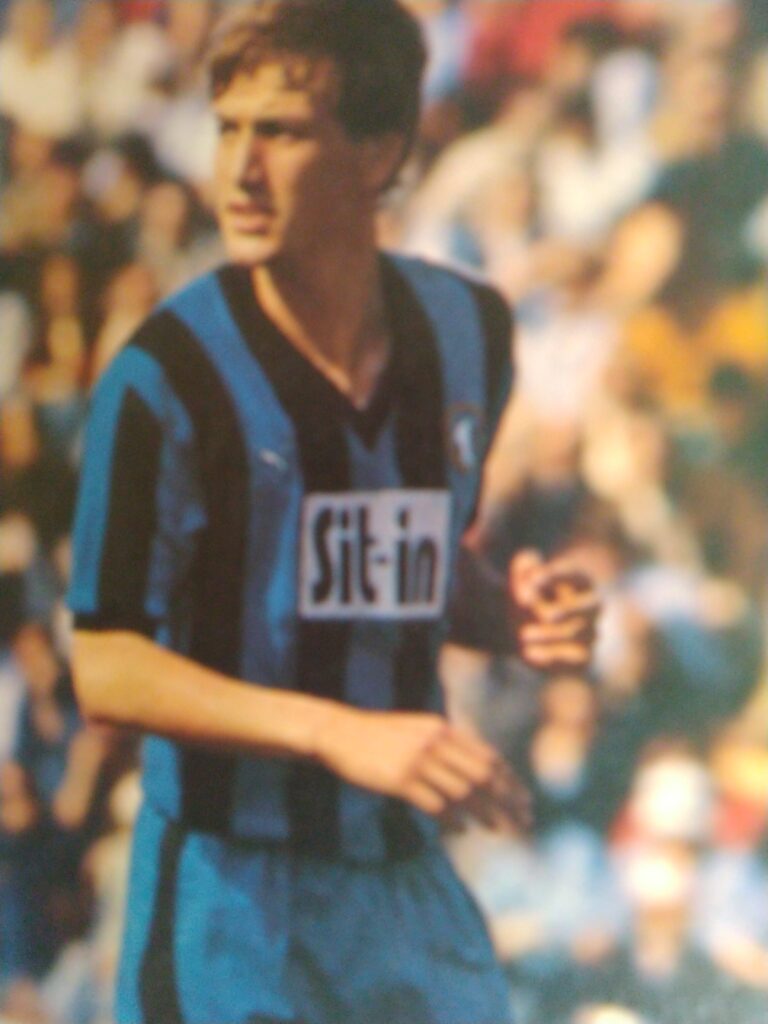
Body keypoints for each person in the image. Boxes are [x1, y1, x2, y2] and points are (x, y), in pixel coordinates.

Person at [67, 3, 598, 1022]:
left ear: (379, 150)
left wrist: (506, 613)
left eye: (281, 132)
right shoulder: (163, 376)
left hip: (401, 879)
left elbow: (409, 561)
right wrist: (334, 733)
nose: (240, 170)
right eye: (228, 129)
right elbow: (106, 664)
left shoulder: (468, 333)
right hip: (230, 891)